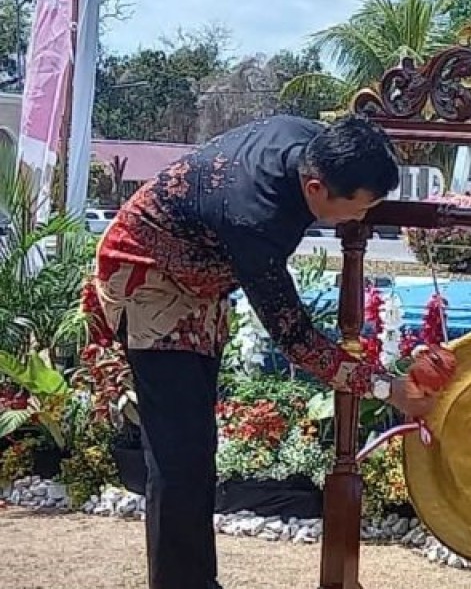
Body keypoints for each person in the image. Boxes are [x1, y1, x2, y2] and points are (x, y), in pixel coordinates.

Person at [81, 114, 442, 589]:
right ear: (316, 188)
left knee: (194, 448)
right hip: (150, 276)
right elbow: (297, 339)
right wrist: (388, 388)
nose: (361, 218)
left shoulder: (313, 141)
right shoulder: (256, 218)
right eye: (358, 208)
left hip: (202, 268)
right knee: (181, 456)